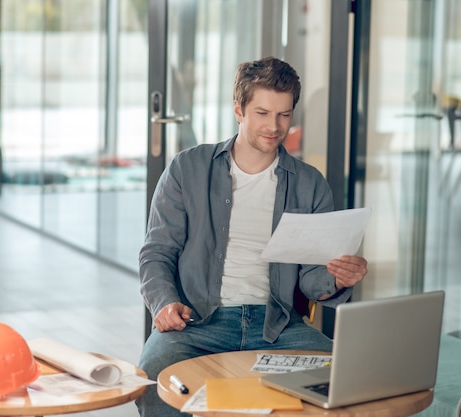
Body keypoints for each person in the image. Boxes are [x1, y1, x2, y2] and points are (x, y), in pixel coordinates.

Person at [136, 56, 368, 417]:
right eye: (262, 113)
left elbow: (311, 278)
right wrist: (164, 303)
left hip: (278, 325)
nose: (274, 127)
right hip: (197, 324)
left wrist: (336, 277)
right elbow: (156, 252)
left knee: (350, 378)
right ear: (238, 110)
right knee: (155, 376)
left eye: (284, 115)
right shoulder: (188, 168)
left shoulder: (310, 184)